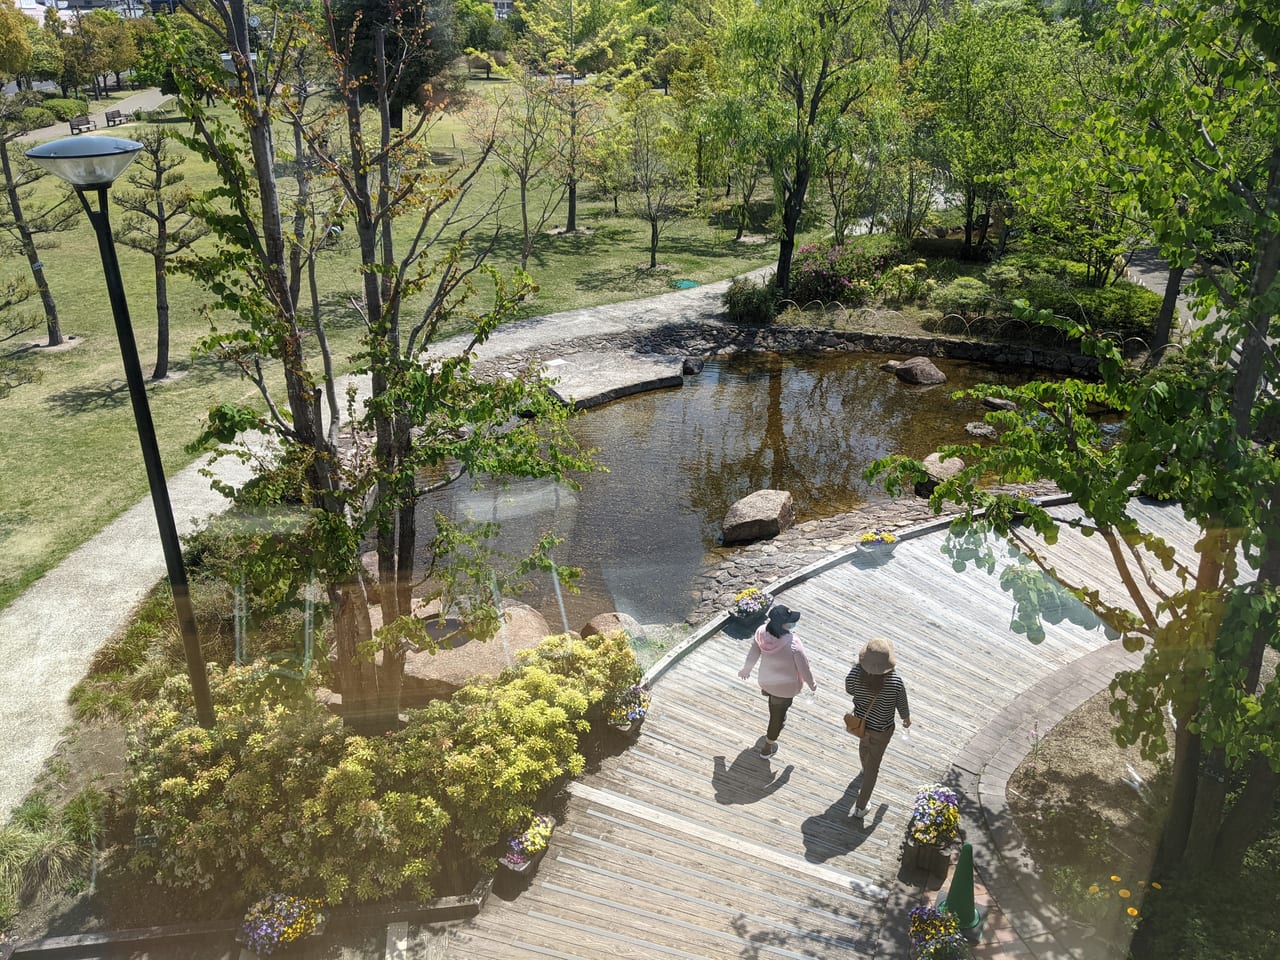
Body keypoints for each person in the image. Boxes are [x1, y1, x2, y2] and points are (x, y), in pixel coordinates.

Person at [738, 604, 816, 757]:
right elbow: (804, 668)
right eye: (791, 621)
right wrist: (812, 685)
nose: (793, 623)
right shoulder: (794, 644)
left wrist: (746, 669)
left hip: (766, 681)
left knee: (774, 703)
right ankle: (767, 748)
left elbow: (754, 651)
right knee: (777, 718)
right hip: (784, 688)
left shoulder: (761, 632)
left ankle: (772, 700)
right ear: (783, 625)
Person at [845, 636, 911, 817]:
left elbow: (849, 689)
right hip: (882, 730)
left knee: (864, 747)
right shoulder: (895, 682)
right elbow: (902, 705)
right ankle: (860, 807)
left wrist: (858, 670)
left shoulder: (856, 674)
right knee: (873, 768)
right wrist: (906, 718)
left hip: (861, 724)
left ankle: (865, 767)